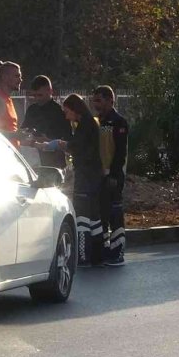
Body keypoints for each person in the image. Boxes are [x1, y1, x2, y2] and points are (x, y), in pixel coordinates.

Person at [39, 93, 103, 267]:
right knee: (94, 217)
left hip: (85, 174)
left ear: (75, 110)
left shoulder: (85, 125)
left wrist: (60, 144)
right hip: (93, 174)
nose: (66, 116)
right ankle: (98, 255)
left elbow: (77, 147)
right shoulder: (90, 123)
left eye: (67, 112)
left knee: (82, 216)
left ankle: (83, 255)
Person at [90, 85, 129, 266]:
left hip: (113, 177)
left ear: (110, 100)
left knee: (115, 214)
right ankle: (104, 250)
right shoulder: (96, 121)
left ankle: (118, 252)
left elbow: (120, 152)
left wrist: (113, 174)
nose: (95, 104)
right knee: (101, 215)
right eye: (94, 100)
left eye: (99, 100)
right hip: (98, 177)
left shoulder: (119, 122)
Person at [21, 75, 72, 168]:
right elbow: (23, 132)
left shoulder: (60, 112)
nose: (37, 98)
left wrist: (49, 142)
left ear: (50, 91)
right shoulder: (32, 110)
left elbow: (68, 140)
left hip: (55, 163)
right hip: (33, 160)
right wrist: (30, 138)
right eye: (34, 95)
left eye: (40, 95)